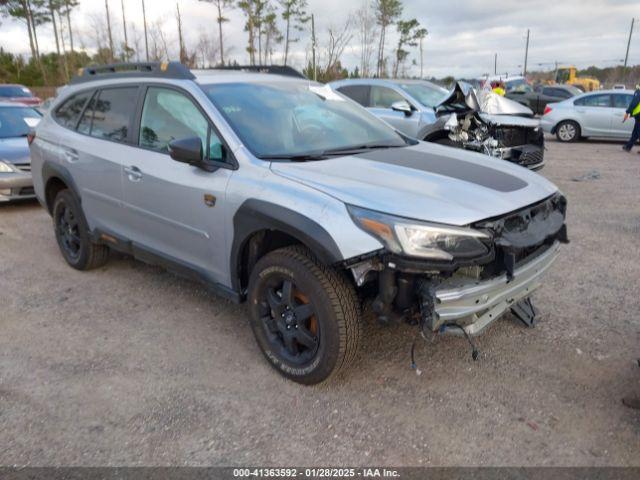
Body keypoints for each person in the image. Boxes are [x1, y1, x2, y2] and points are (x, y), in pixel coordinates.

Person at [622, 84, 640, 152]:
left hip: (639, 115)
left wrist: (627, 112)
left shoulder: (638, 92)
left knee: (638, 132)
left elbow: (634, 102)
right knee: (635, 133)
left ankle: (628, 146)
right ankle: (628, 146)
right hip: (638, 116)